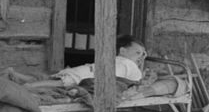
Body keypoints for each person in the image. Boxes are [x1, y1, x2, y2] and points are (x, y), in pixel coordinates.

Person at [9, 35, 151, 89]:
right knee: (59, 83)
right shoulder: (127, 64)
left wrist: (140, 60)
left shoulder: (116, 60)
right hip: (86, 76)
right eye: (138, 52)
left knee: (54, 77)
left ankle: (19, 76)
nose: (140, 56)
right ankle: (30, 86)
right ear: (123, 51)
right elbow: (128, 78)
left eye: (142, 54)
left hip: (84, 69)